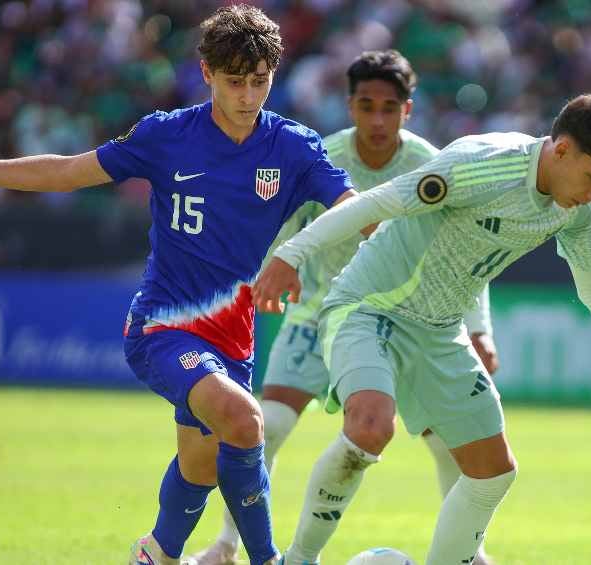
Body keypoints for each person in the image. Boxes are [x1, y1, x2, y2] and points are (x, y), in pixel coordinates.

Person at [0, 5, 356, 565]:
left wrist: (299, 252)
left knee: (202, 465)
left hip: (233, 335)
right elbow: (69, 171)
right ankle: (267, 559)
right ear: (206, 73)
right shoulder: (167, 135)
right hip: (162, 327)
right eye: (235, 81)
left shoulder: (293, 146)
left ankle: (156, 553)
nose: (249, 95)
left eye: (260, 81)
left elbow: (352, 207)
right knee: (244, 419)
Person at [254, 92, 591, 564]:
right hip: (369, 307)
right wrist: (290, 255)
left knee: (494, 472)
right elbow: (378, 202)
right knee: (370, 425)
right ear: (563, 149)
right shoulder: (484, 164)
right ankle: (298, 559)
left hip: (441, 331)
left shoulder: (579, 209)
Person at [194, 50, 499, 565]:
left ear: (407, 109)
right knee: (268, 424)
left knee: (448, 439)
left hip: (408, 320)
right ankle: (227, 544)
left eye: (389, 108)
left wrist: (479, 328)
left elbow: (460, 255)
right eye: (366, 106)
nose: (377, 120)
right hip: (319, 312)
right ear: (349, 105)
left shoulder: (433, 166)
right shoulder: (321, 158)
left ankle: (474, 552)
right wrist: (271, 273)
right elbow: (279, 230)